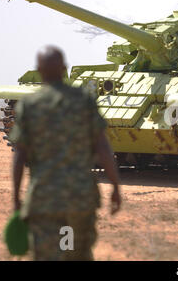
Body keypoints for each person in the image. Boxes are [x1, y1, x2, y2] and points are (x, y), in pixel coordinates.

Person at [10, 45, 121, 261]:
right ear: (64, 68)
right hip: (79, 197)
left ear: (39, 70)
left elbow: (19, 155)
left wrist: (16, 197)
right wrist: (116, 186)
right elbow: (103, 147)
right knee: (75, 252)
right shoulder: (84, 101)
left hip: (44, 199)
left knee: (47, 255)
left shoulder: (30, 105)